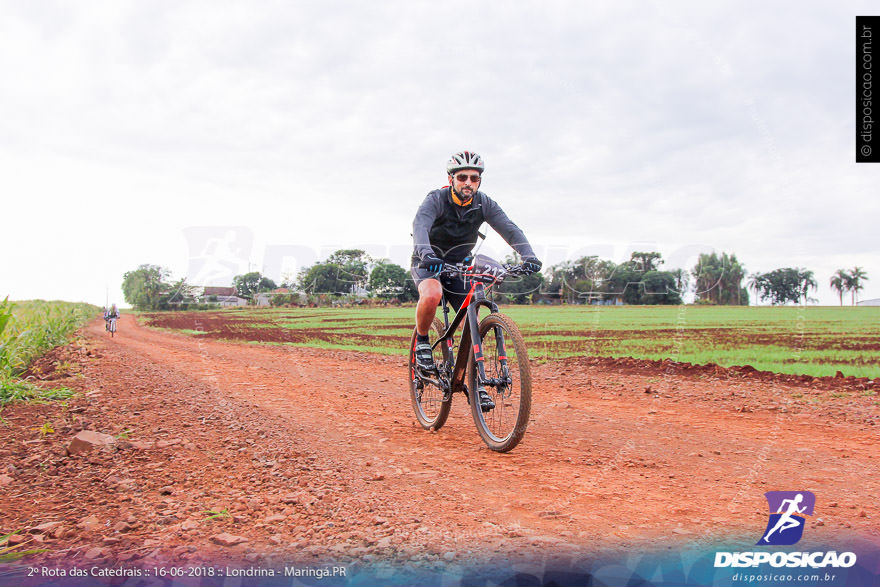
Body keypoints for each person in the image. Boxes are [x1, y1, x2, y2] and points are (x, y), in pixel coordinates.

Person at [411, 150, 542, 410]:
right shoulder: (436, 199)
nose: (468, 182)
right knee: (432, 294)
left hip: (460, 263)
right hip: (428, 259)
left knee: (475, 314)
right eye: (462, 177)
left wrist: (528, 255)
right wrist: (426, 253)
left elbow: (509, 228)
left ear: (479, 180)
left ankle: (476, 379)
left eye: (474, 177)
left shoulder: (483, 203)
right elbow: (420, 225)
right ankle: (423, 343)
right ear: (451, 179)